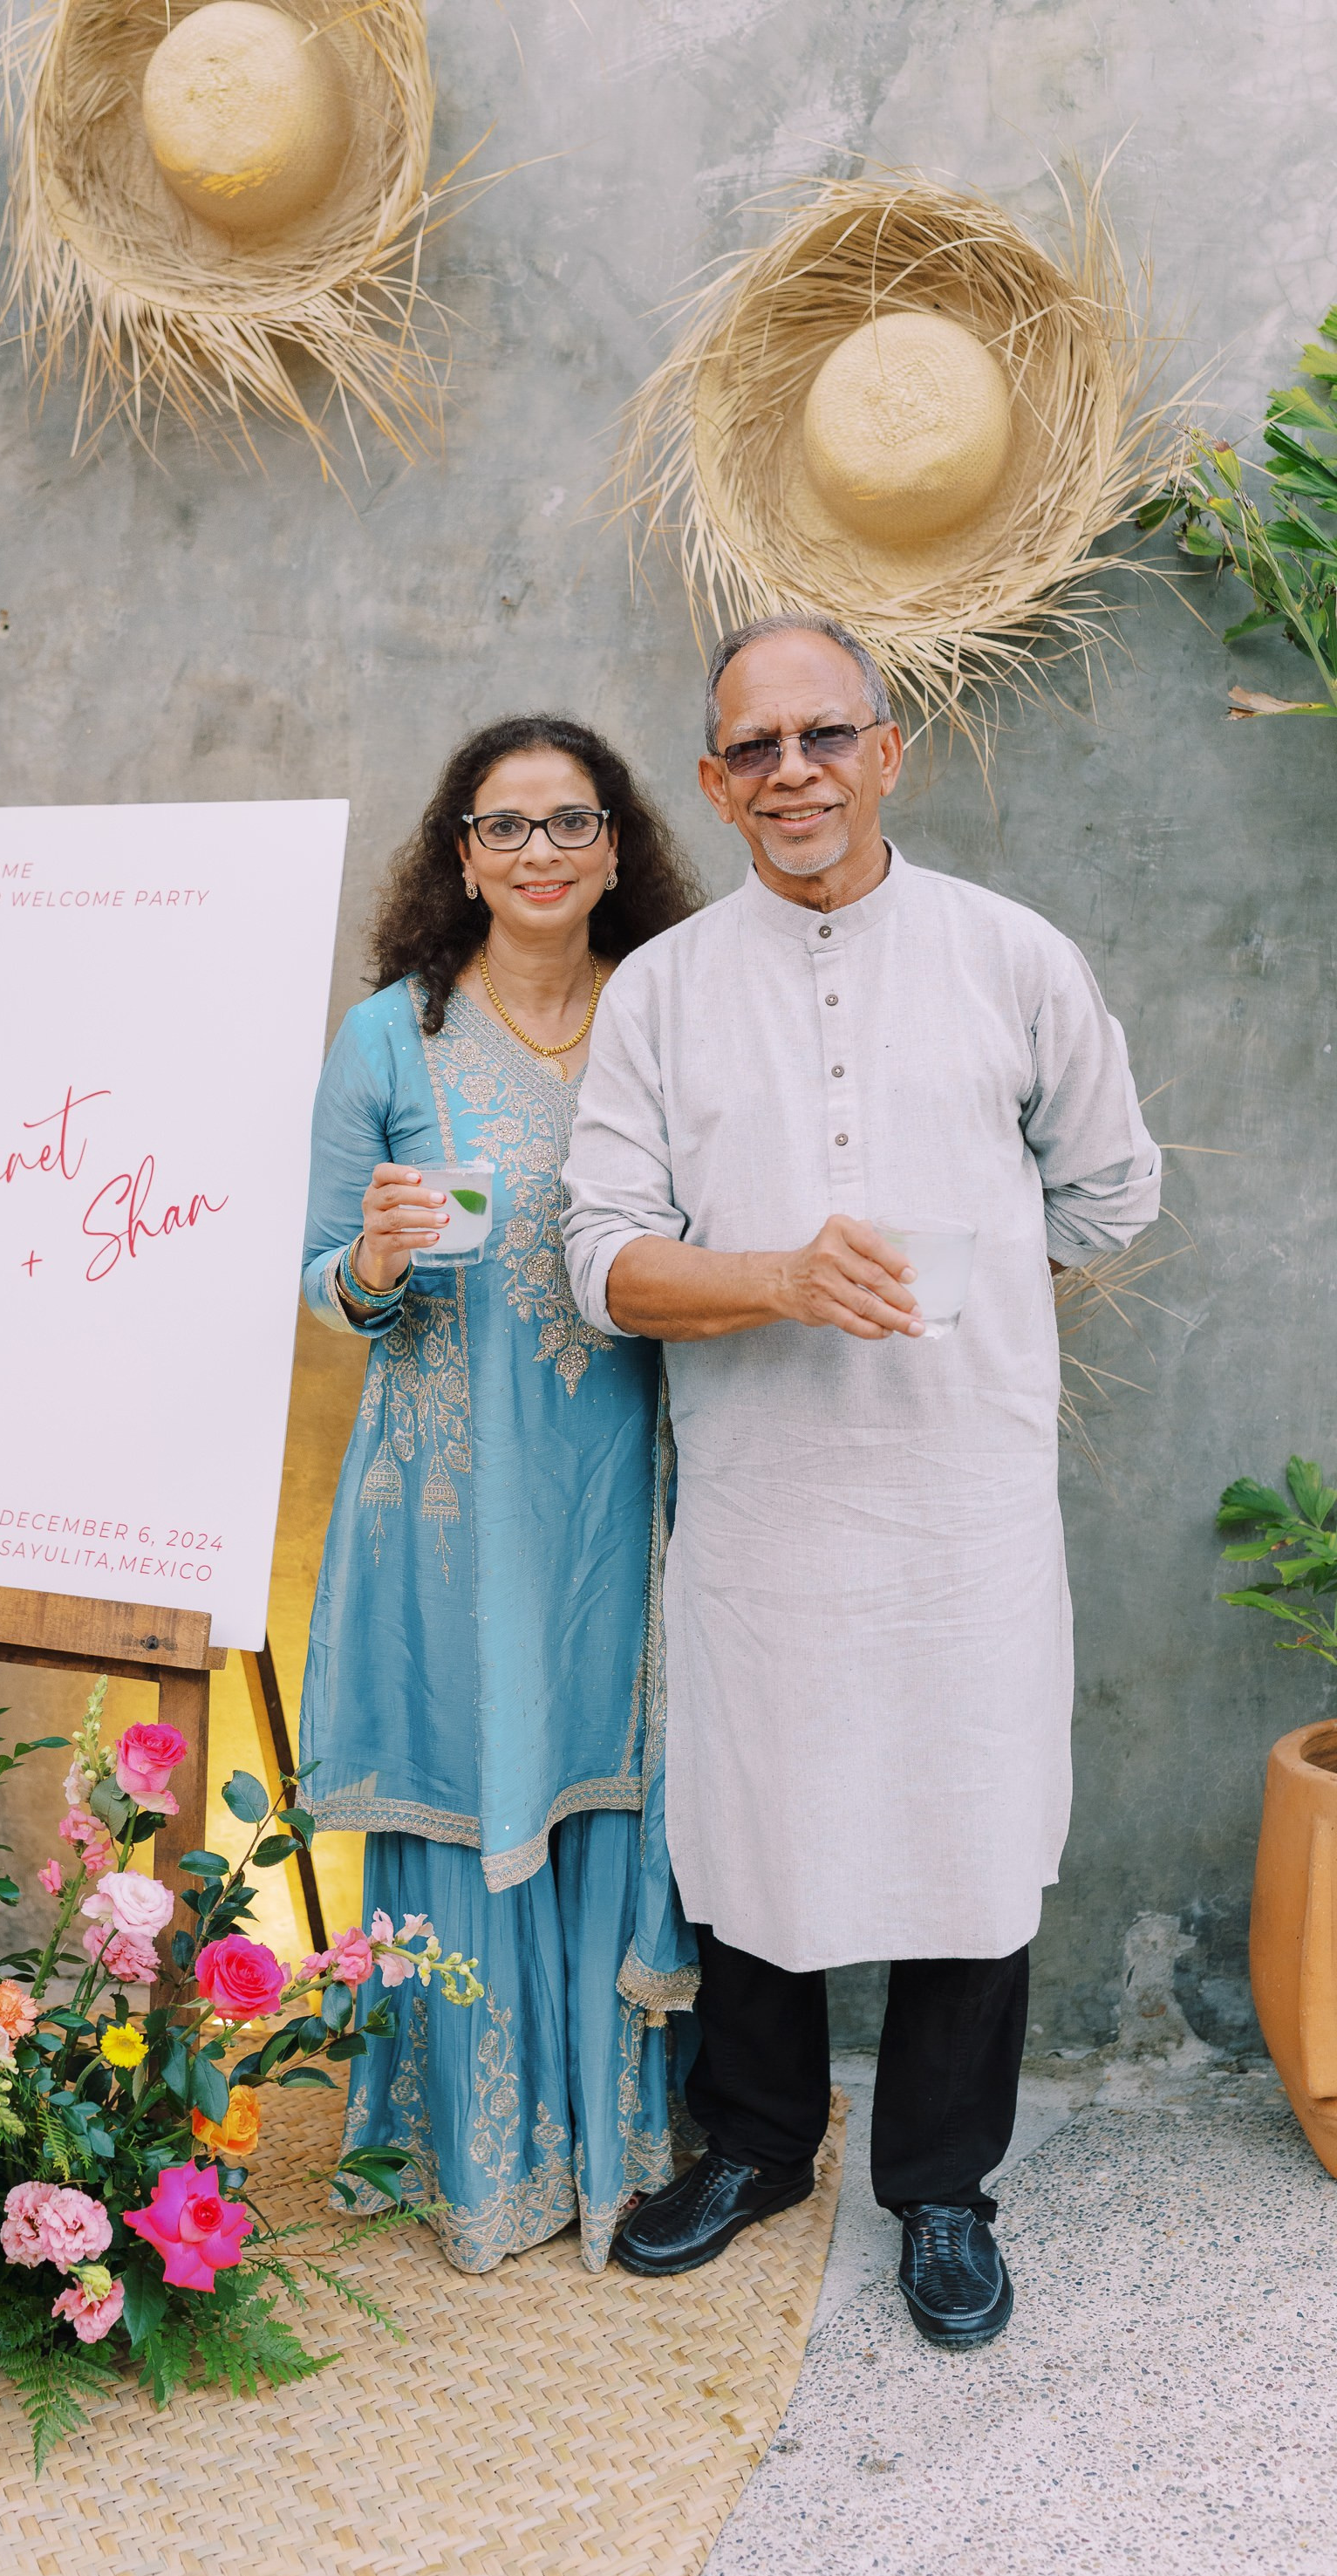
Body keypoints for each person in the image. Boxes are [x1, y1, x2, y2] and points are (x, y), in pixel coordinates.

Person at [561, 614, 1161, 2345]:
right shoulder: (662, 991)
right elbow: (601, 1262)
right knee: (761, 1816)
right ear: (712, 782)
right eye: (755, 747)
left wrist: (978, 1291)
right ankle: (757, 2145)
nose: (794, 772)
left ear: (888, 751)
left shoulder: (1010, 955)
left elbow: (1111, 1190)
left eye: (824, 735)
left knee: (970, 1823)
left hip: (964, 1501)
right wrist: (776, 1278)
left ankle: (944, 2187)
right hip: (763, 1504)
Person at [298, 715, 704, 2272]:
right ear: (460, 857)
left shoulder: (670, 1010)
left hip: (629, 1484)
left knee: (618, 1763)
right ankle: (484, 2158)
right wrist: (375, 1257)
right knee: (479, 1775)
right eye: (505, 826)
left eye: (571, 821)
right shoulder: (389, 1038)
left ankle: (626, 2140)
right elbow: (322, 1280)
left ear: (617, 846)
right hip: (453, 1503)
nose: (540, 851)